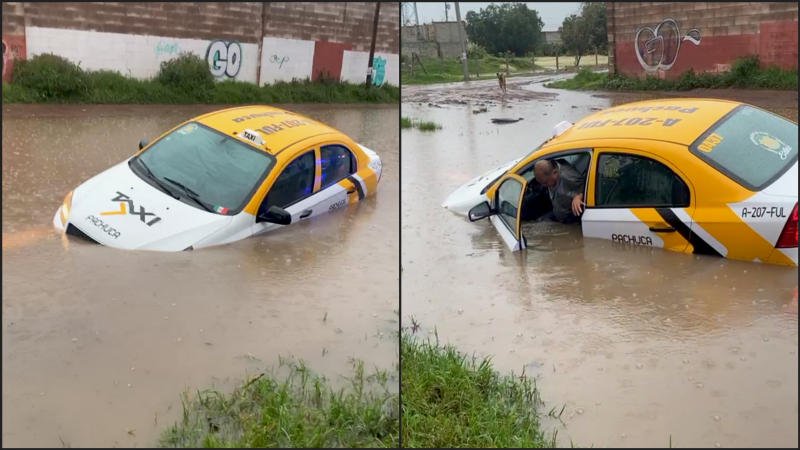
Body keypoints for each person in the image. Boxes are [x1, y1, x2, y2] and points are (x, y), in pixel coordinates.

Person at [532, 159, 585, 223]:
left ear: (555, 173)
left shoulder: (568, 177)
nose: (544, 186)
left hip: (571, 216)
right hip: (559, 212)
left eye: (545, 183)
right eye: (541, 183)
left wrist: (579, 196)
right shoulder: (551, 174)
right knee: (540, 221)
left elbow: (588, 185)